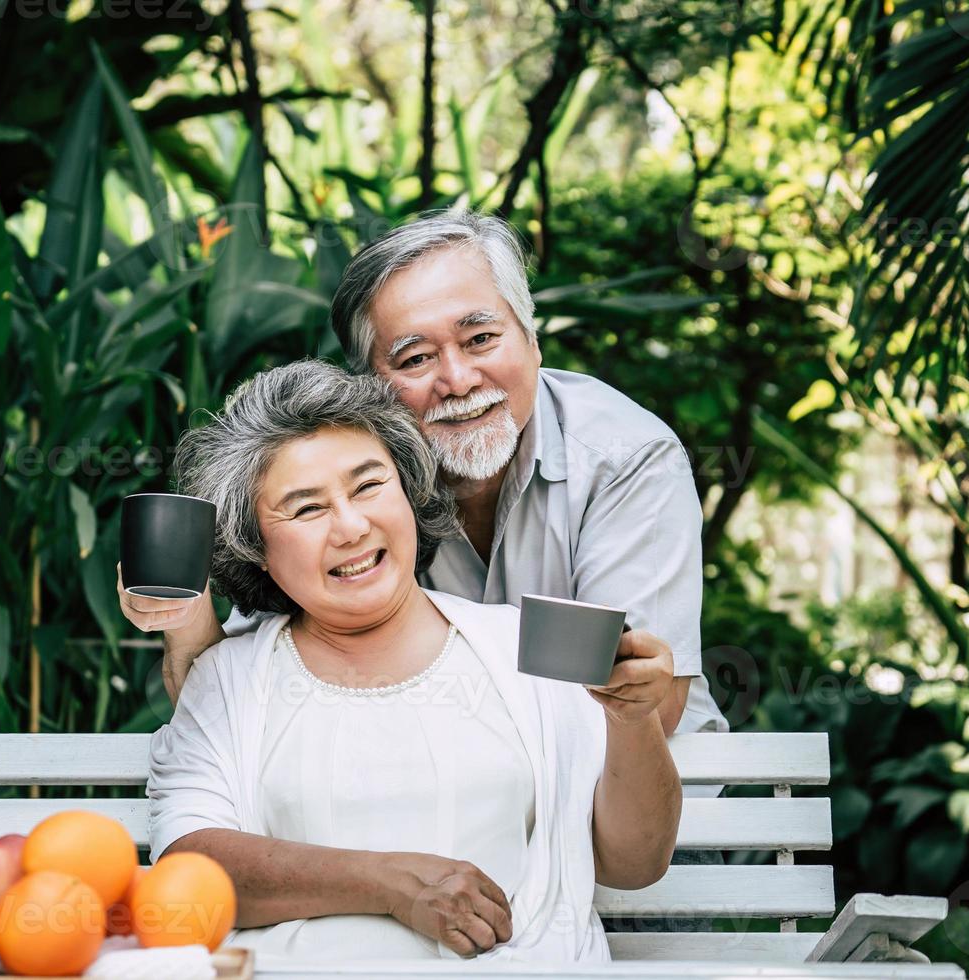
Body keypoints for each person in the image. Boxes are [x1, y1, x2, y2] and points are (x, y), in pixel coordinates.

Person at [143, 360, 682, 962]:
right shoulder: (228, 679)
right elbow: (190, 869)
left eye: (369, 485)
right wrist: (392, 885)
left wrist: (633, 721)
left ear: (408, 491)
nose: (351, 526)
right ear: (257, 549)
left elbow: (634, 865)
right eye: (306, 509)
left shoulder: (526, 648)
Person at [124, 210, 727, 746]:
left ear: (533, 340)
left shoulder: (626, 456)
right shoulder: (355, 487)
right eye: (415, 358)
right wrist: (184, 616)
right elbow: (227, 708)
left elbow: (647, 702)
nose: (459, 379)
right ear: (372, 388)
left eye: (482, 338)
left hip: (645, 815)